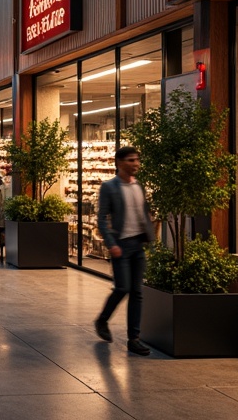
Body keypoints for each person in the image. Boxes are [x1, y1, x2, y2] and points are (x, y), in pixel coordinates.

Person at [93, 146, 154, 356]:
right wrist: (111, 243)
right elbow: (101, 219)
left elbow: (143, 212)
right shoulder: (109, 187)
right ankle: (102, 320)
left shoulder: (140, 186)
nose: (135, 164)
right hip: (121, 245)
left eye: (137, 160)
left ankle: (133, 339)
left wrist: (149, 232)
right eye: (131, 160)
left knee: (137, 292)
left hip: (138, 245)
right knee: (122, 288)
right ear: (119, 162)